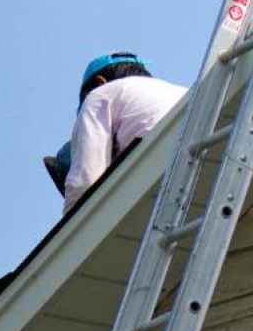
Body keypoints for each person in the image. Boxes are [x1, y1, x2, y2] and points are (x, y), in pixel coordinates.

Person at [54, 52, 187, 214]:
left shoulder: (99, 94)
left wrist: (69, 228)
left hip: (161, 168)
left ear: (99, 83)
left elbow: (85, 180)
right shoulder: (177, 90)